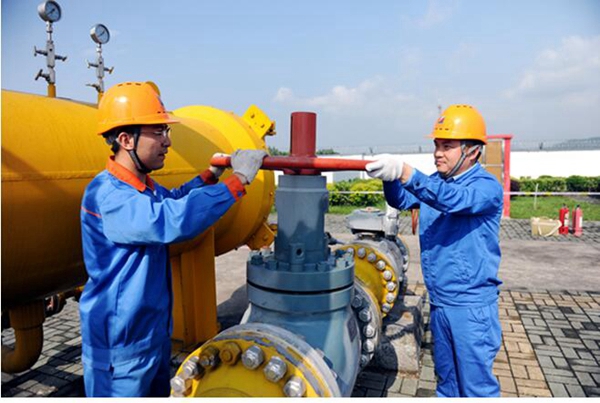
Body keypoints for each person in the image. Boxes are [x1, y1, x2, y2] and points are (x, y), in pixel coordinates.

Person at [79, 81, 267, 397]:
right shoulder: (110, 195)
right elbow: (171, 219)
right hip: (120, 349)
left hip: (149, 337)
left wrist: (211, 174)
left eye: (166, 131)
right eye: (158, 132)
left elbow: (175, 200)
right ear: (125, 139)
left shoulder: (142, 187)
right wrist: (238, 180)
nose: (167, 141)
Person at [366, 104, 503, 397]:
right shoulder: (436, 183)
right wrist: (390, 178)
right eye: (437, 145)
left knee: (476, 389)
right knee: (447, 383)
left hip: (470, 307)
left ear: (472, 151)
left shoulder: (485, 187)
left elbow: (451, 199)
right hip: (440, 302)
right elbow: (402, 199)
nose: (438, 153)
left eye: (447, 146)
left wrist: (406, 172)